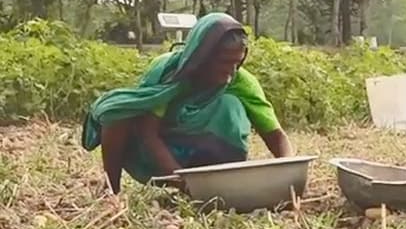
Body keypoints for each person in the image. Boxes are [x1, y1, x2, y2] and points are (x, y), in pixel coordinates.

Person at [82, 12, 293, 195]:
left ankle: (217, 185)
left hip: (211, 159)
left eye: (236, 64)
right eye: (222, 64)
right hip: (159, 156)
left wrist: (289, 174)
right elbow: (148, 132)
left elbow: (276, 136)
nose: (229, 74)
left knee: (230, 105)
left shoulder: (242, 81)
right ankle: (112, 190)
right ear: (201, 56)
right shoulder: (168, 71)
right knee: (117, 111)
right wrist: (181, 181)